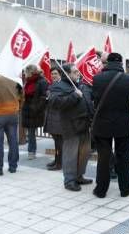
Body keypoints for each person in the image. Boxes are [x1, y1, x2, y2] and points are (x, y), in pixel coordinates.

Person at [92, 52, 129, 198]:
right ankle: (125, 188)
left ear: (107, 62)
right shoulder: (128, 79)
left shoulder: (97, 79)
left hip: (102, 123)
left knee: (103, 157)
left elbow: (96, 100)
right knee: (123, 156)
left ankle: (101, 190)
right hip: (122, 123)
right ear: (120, 63)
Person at [48, 64, 92, 192]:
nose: (78, 73)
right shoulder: (58, 86)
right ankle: (69, 180)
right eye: (74, 72)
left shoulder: (81, 85)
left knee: (85, 152)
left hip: (84, 124)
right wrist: (74, 96)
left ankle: (79, 176)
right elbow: (55, 103)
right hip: (70, 125)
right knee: (70, 154)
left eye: (78, 71)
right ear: (66, 74)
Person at [21, 64, 48, 160]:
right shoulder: (27, 81)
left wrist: (36, 108)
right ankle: (31, 151)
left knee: (32, 132)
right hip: (27, 110)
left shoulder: (42, 81)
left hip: (35, 110)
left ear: (31, 72)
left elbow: (44, 97)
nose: (24, 74)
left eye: (25, 72)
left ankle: (31, 151)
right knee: (30, 132)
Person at [44, 67, 63, 170]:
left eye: (55, 74)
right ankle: (56, 160)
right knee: (56, 141)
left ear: (60, 74)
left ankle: (59, 163)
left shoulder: (62, 86)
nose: (53, 76)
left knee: (60, 142)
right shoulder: (52, 85)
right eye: (52, 74)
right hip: (52, 117)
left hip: (59, 118)